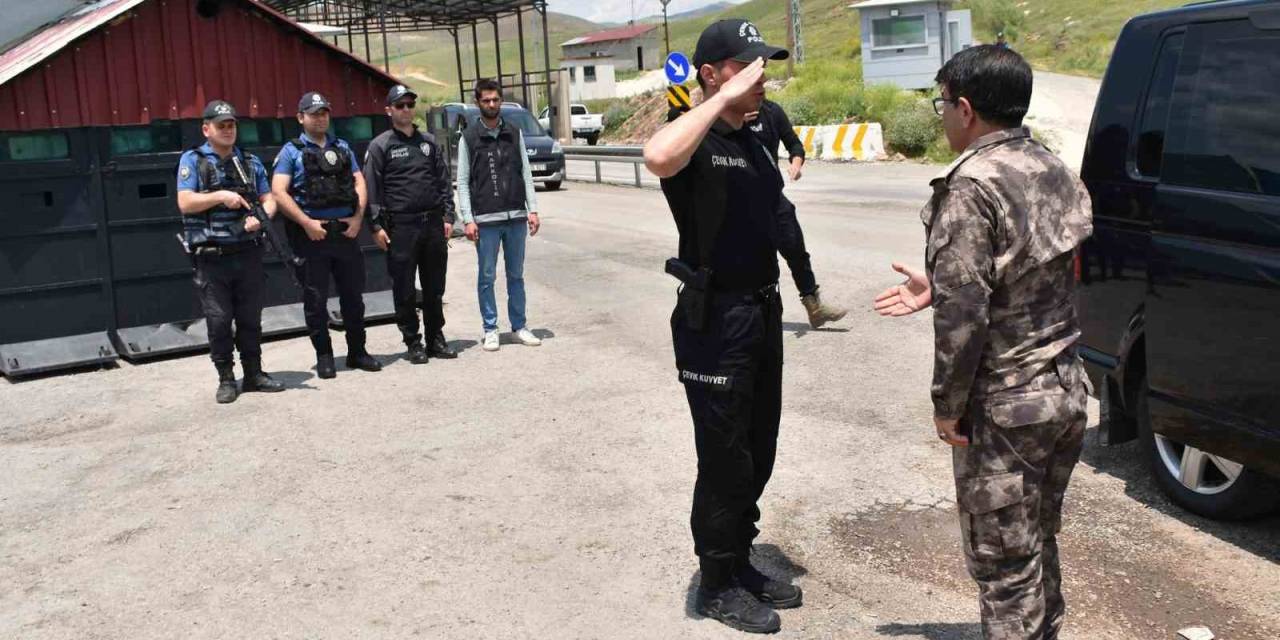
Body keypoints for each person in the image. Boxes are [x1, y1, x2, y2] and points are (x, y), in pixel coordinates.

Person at [873, 45, 1092, 640]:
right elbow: (1038, 274)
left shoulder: (970, 187)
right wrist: (938, 286)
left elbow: (964, 316)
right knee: (1036, 540)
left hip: (1007, 407)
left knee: (1003, 565)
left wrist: (948, 406)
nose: (942, 114)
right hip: (1065, 389)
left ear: (966, 109)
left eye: (942, 103)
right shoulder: (1054, 167)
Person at [644, 19, 803, 635]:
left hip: (761, 312)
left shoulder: (753, 140)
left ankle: (738, 558)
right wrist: (715, 101)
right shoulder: (696, 140)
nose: (761, 76)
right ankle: (715, 583)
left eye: (764, 65)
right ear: (711, 75)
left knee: (759, 447)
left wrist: (807, 285)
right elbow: (657, 157)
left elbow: (778, 216)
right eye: (746, 66)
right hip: (717, 320)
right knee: (723, 455)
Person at [176, 100, 286, 404]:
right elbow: (185, 202)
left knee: (251, 318)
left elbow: (270, 199)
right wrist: (220, 196)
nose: (227, 130)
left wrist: (261, 217)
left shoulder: (249, 161)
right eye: (221, 125)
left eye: (231, 125)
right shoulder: (193, 160)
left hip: (247, 252)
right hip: (212, 257)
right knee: (219, 320)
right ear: (206, 129)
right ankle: (226, 378)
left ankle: (254, 374)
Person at [271, 91, 382, 379]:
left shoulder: (342, 147)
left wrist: (357, 219)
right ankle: (324, 356)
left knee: (353, 297)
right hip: (311, 237)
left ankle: (358, 352)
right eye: (314, 114)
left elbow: (359, 183)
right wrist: (306, 223)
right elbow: (278, 192)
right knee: (316, 300)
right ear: (300, 117)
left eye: (324, 113)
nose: (320, 118)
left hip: (345, 234)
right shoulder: (291, 152)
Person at [364, 84, 458, 364]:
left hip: (432, 224)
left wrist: (448, 216)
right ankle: (413, 342)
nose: (406, 109)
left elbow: (443, 182)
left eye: (409, 104)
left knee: (435, 287)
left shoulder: (428, 142)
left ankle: (435, 338)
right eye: (400, 105)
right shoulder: (380, 145)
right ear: (389, 110)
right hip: (401, 228)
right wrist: (376, 226)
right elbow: (372, 189)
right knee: (404, 288)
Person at [456, 78, 542, 352]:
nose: (491, 104)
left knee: (516, 275)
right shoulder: (468, 137)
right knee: (487, 277)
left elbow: (526, 174)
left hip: (516, 216)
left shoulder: (514, 133)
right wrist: (468, 219)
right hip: (486, 220)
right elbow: (463, 181)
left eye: (495, 99)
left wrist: (533, 209)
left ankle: (519, 326)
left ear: (501, 101)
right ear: (478, 103)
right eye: (486, 100)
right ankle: (490, 329)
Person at [745, 98, 848, 328]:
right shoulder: (726, 111)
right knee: (757, 260)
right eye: (755, 83)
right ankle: (752, 312)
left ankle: (814, 307)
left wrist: (796, 163)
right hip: (742, 201)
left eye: (762, 83)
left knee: (796, 251)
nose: (760, 88)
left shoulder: (772, 111)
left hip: (773, 196)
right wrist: (735, 124)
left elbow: (794, 143)